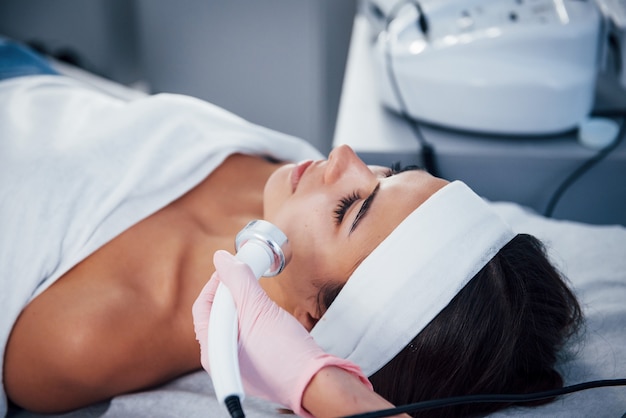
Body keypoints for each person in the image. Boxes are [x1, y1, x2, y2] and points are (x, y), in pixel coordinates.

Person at [0, 39, 582, 418]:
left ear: (310, 322)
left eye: (350, 208)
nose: (345, 156)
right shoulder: (294, 186)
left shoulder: (83, 339)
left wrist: (328, 389)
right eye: (391, 173)